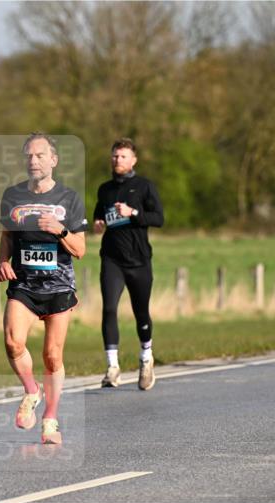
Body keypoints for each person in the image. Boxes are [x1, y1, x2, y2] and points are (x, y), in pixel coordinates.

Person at [0, 133, 87, 445]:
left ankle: (50, 418)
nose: (33, 161)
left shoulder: (69, 198)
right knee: (12, 343)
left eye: (39, 156)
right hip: (24, 284)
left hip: (58, 286)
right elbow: (7, 235)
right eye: (29, 157)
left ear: (53, 160)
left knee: (52, 356)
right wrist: (2, 260)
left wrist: (60, 230)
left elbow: (80, 249)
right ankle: (32, 391)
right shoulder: (13, 195)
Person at [92, 138, 165, 390]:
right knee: (109, 308)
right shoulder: (104, 189)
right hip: (112, 259)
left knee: (140, 312)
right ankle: (112, 367)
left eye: (123, 156)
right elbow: (98, 216)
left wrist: (132, 213)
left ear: (133, 160)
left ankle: (146, 358)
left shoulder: (144, 186)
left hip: (139, 260)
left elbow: (159, 218)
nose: (117, 160)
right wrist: (98, 224)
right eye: (114, 156)